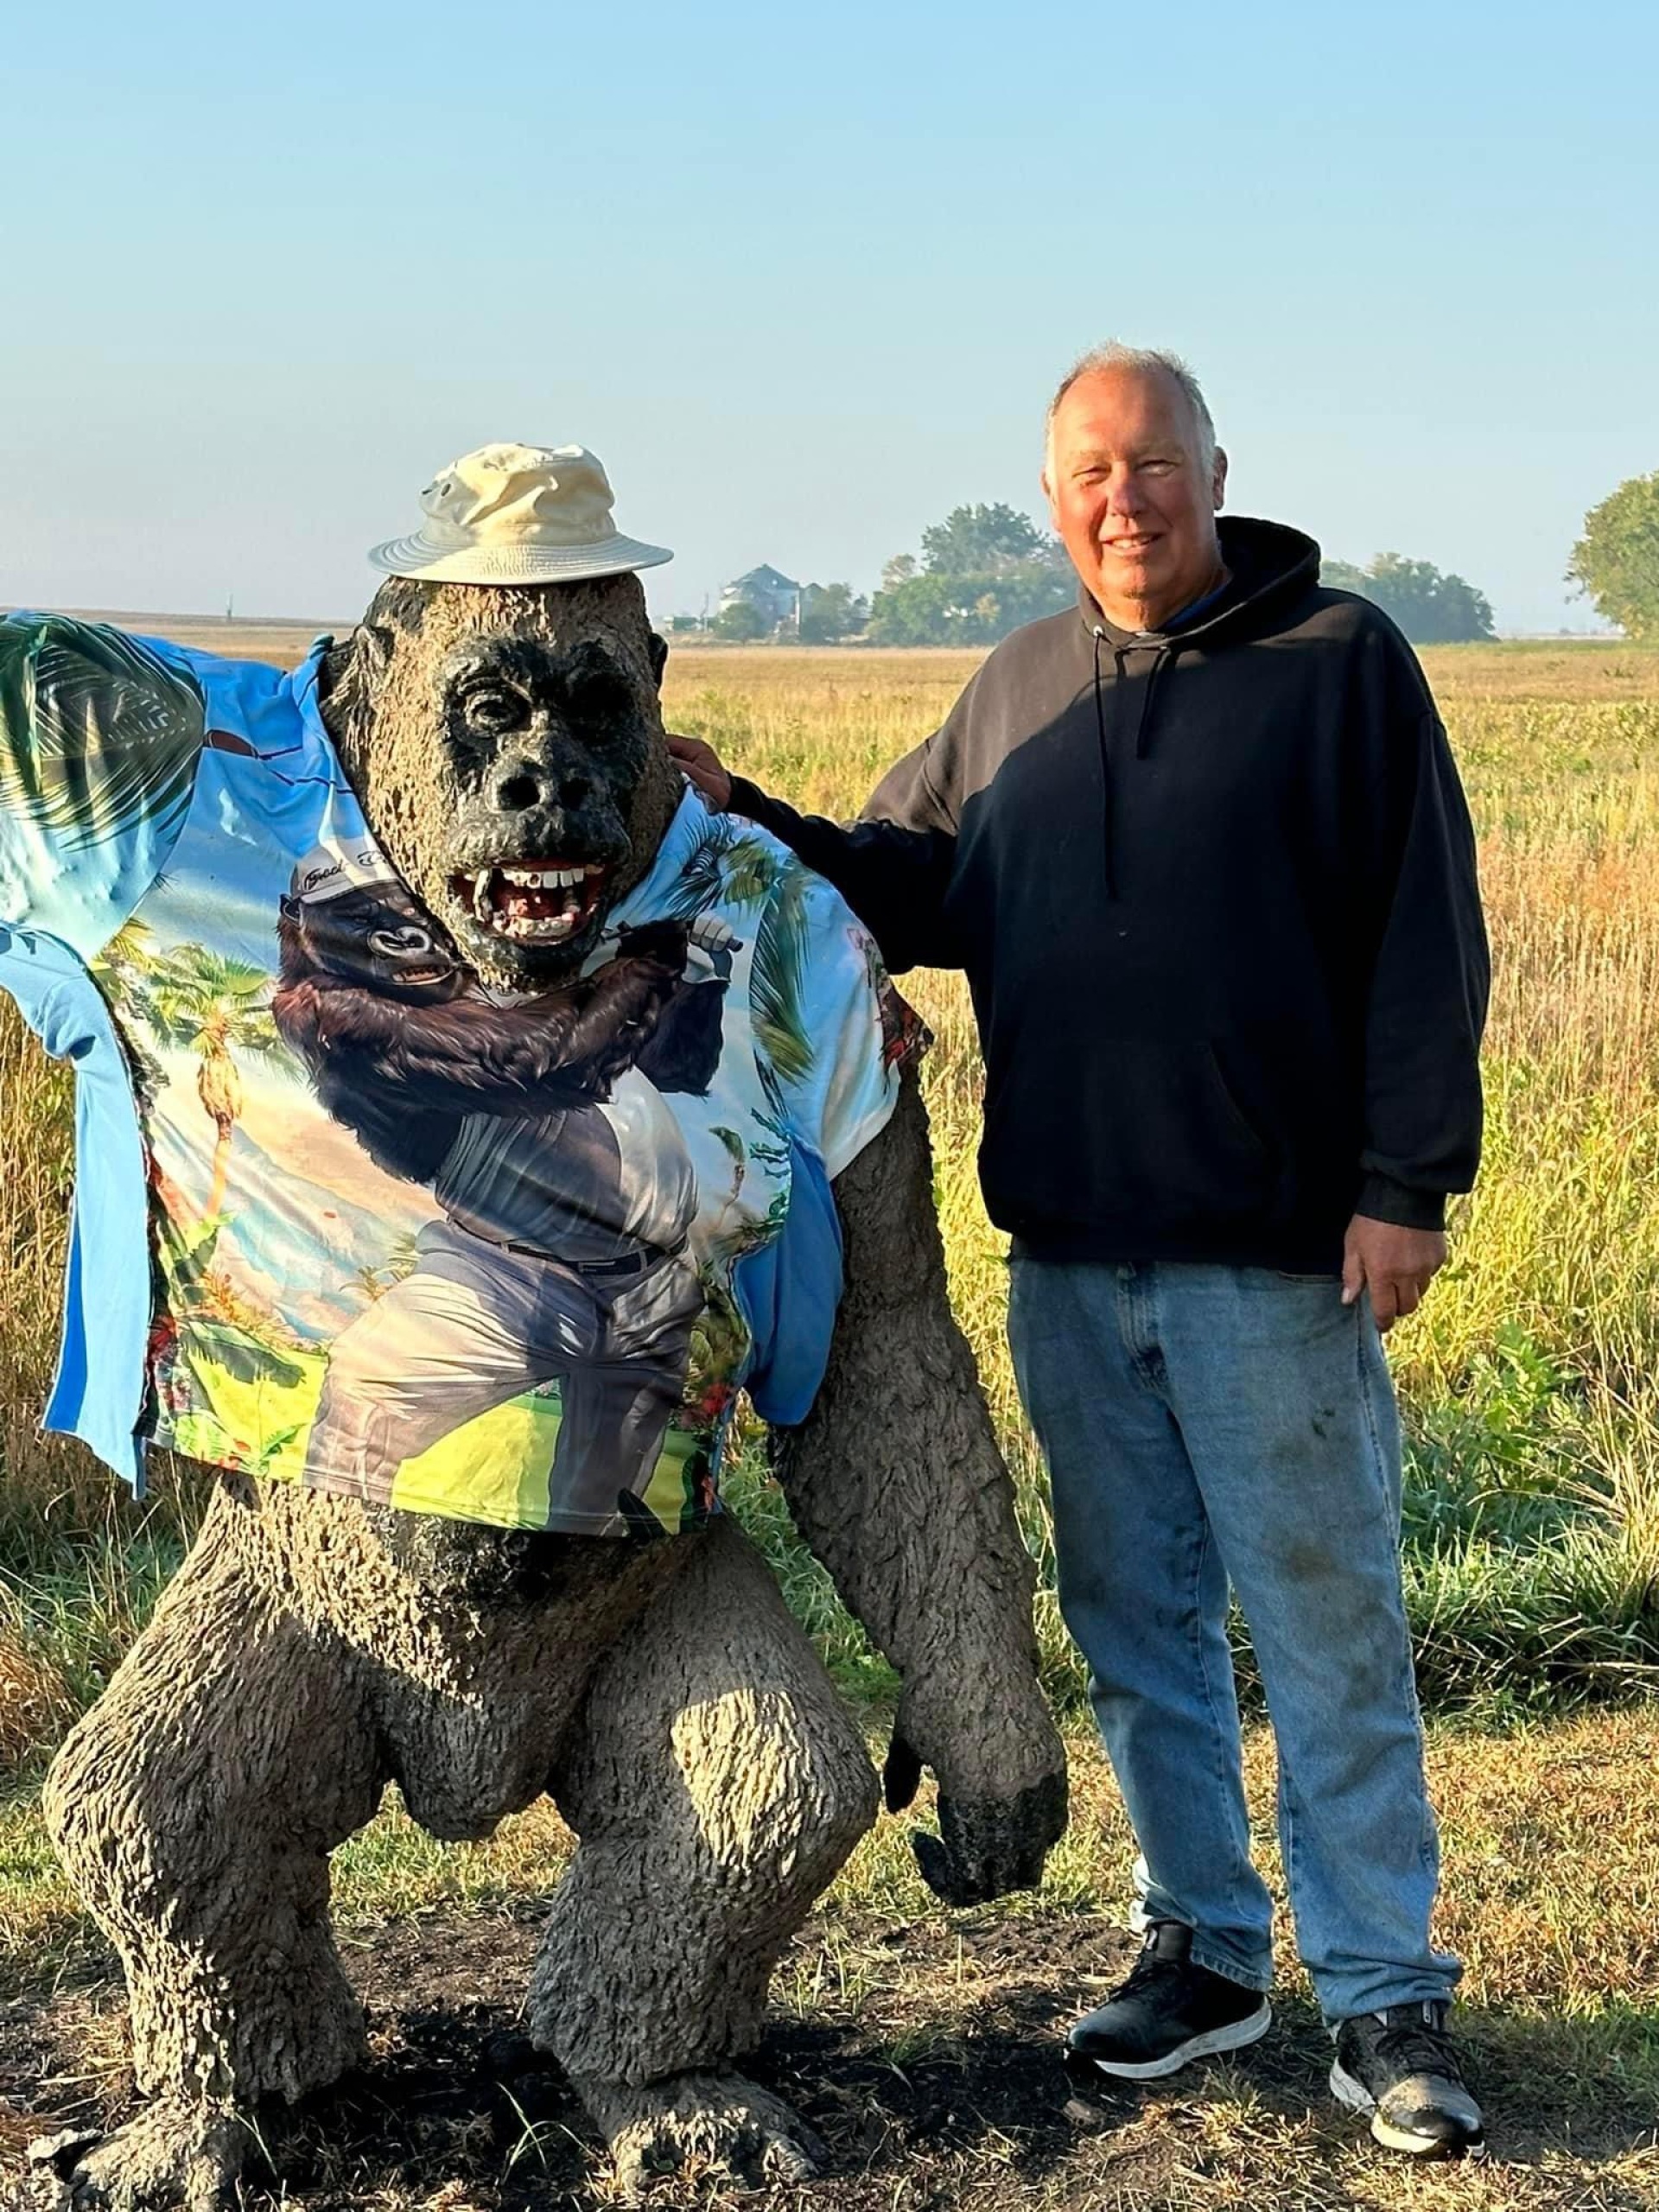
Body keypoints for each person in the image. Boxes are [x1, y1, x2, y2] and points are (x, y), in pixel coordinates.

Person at [670, 344, 1491, 2160]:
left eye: (1153, 460)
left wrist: (1407, 1182)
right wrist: (734, 819)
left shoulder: (1341, 660)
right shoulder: (1021, 684)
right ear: (1052, 503)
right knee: (1137, 1627)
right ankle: (1203, 1947)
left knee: (1328, 1627)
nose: (1124, 496)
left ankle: (1386, 1994)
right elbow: (901, 875)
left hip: (1274, 1266)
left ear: (1215, 466)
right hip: (1071, 1265)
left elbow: (1428, 931)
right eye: (1089, 474)